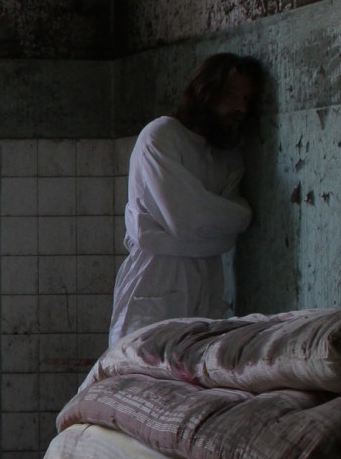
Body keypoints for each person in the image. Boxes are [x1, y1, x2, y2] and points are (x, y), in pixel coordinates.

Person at [108, 52, 263, 345]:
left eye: (246, 99)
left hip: (208, 284)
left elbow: (220, 235)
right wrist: (236, 217)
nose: (241, 108)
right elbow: (186, 220)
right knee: (141, 367)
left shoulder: (227, 154)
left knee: (195, 368)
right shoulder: (161, 135)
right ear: (205, 91)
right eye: (231, 95)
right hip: (155, 279)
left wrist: (208, 226)